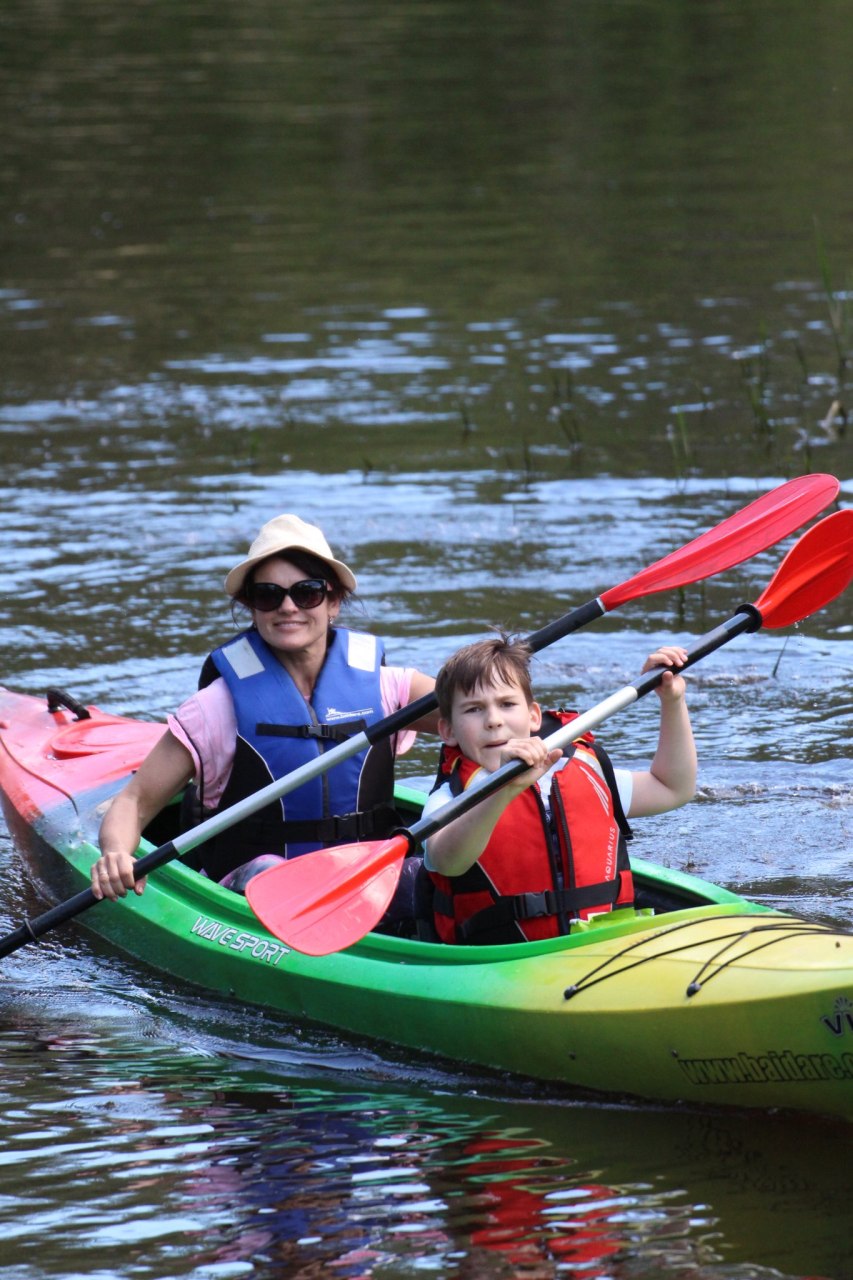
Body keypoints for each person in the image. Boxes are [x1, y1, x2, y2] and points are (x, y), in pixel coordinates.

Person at [90, 514, 438, 901]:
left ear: (334, 601)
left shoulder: (390, 688)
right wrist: (116, 853)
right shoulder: (214, 708)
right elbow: (134, 803)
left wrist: (514, 736)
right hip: (253, 895)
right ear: (252, 607)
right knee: (273, 875)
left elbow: (480, 715)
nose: (288, 607)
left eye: (306, 592)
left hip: (365, 884)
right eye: (269, 595)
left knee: (429, 877)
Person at [422, 633, 696, 945]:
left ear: (534, 716)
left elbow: (672, 788)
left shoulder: (579, 770)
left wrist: (672, 702)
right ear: (447, 730)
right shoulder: (451, 797)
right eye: (473, 709)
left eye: (507, 704)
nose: (494, 720)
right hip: (501, 958)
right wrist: (504, 790)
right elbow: (448, 861)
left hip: (602, 945)